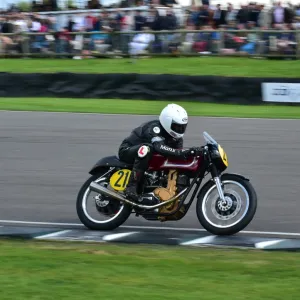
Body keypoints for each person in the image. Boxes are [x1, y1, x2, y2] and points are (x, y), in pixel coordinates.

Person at [118, 103, 203, 204]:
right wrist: (184, 152)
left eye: (182, 127)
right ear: (167, 121)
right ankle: (131, 187)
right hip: (127, 150)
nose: (179, 130)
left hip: (144, 161)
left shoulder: (177, 139)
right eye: (176, 126)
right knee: (147, 149)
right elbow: (159, 147)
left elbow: (175, 156)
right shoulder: (154, 128)